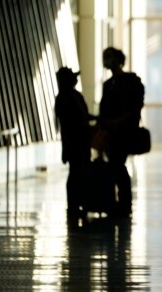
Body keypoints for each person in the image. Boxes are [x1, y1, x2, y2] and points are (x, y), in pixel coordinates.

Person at [98, 47, 145, 217]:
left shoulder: (129, 82)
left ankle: (123, 204)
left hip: (122, 132)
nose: (106, 60)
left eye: (108, 57)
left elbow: (133, 108)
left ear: (118, 60)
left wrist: (116, 122)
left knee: (117, 166)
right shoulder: (109, 84)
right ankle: (119, 203)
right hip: (110, 133)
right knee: (115, 167)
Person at [54, 67, 95, 217]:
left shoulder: (68, 96)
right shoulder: (68, 97)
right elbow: (76, 119)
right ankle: (75, 204)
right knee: (76, 172)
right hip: (75, 141)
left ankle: (77, 203)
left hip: (78, 141)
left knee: (77, 172)